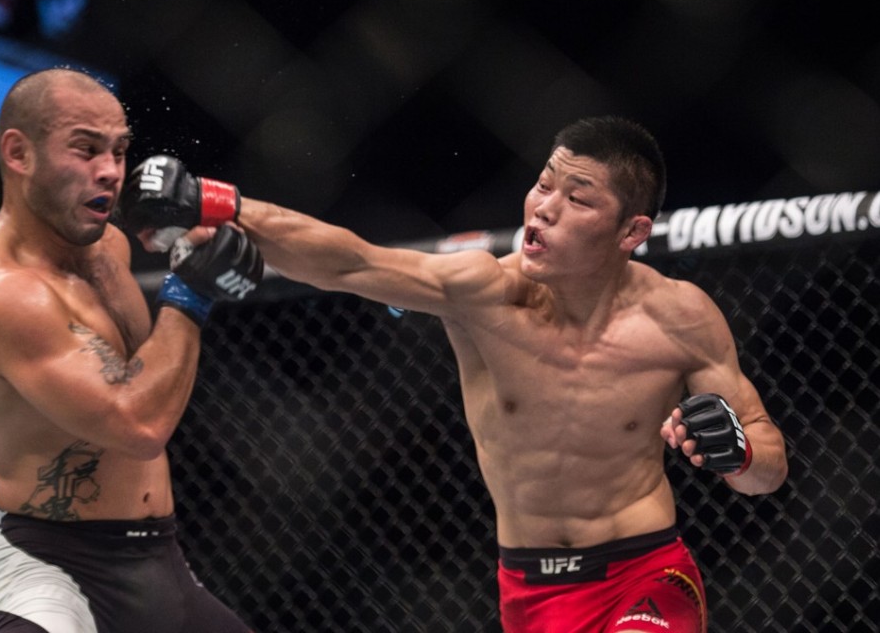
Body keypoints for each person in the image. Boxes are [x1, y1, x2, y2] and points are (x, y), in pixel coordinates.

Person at [118, 116, 788, 633]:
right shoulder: (484, 293)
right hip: (528, 590)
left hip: (645, 574)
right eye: (544, 182)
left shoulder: (681, 317)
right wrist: (215, 202)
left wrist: (738, 449)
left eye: (577, 198)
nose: (544, 206)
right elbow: (349, 261)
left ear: (630, 231)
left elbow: (767, 473)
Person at [0, 67, 262, 633]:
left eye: (120, 151)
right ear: (19, 154)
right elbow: (138, 427)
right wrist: (190, 294)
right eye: (86, 149)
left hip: (158, 558)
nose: (111, 172)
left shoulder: (109, 248)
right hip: (52, 566)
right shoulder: (5, 293)